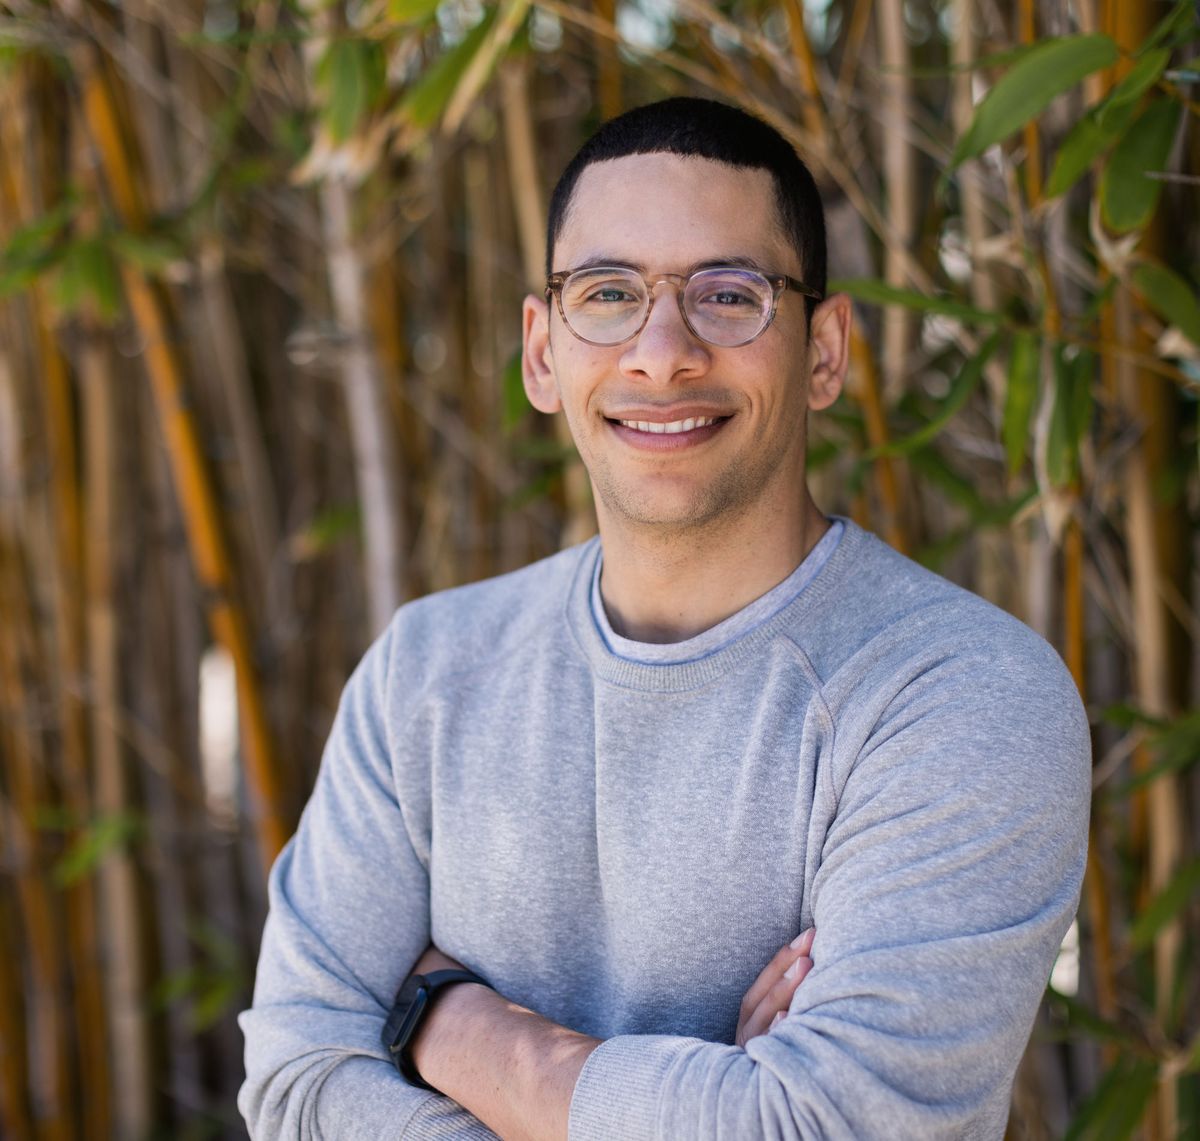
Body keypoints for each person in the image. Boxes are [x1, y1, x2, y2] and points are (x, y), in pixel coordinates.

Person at [239, 97, 1090, 1140]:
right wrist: (703, 1097)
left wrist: (442, 1021)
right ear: (543, 352)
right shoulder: (427, 670)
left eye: (730, 295)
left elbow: (831, 1128)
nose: (662, 351)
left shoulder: (959, 692)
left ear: (824, 352)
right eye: (608, 293)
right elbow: (292, 1082)